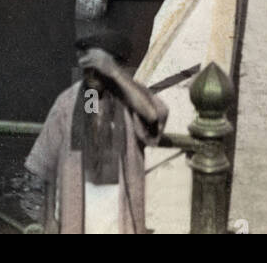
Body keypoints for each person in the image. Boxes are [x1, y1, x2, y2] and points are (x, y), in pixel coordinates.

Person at [22, 28, 169, 234]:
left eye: (99, 71)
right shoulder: (71, 102)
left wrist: (114, 72)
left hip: (119, 215)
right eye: (88, 70)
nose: (92, 77)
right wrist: (49, 221)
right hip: (77, 214)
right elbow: (47, 165)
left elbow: (152, 115)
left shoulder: (128, 100)